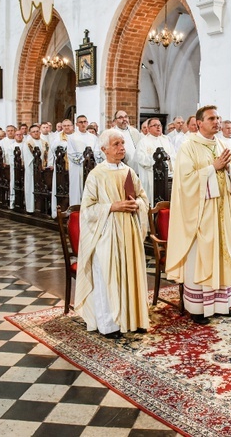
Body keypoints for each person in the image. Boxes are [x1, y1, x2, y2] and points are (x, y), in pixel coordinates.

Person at [165, 105, 231, 324]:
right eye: (211, 118)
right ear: (199, 123)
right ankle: (197, 307)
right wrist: (213, 167)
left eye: (218, 117)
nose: (217, 122)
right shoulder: (188, 147)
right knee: (202, 256)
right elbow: (185, 181)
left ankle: (221, 304)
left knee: (222, 254)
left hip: (222, 212)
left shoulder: (222, 144)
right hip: (201, 214)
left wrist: (228, 169)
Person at [75, 129, 150, 339]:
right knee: (107, 277)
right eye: (116, 144)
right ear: (104, 149)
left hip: (130, 233)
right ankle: (109, 324)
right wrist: (111, 206)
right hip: (106, 234)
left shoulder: (129, 172)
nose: (121, 148)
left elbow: (144, 199)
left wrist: (137, 203)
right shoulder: (96, 175)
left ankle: (133, 320)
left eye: (123, 143)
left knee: (132, 274)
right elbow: (87, 211)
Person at [133, 117, 175, 205]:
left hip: (166, 176)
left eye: (159, 125)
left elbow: (174, 156)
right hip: (150, 176)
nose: (158, 127)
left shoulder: (166, 140)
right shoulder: (143, 142)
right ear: (148, 128)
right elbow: (140, 159)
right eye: (155, 125)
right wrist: (157, 161)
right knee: (151, 201)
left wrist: (168, 158)